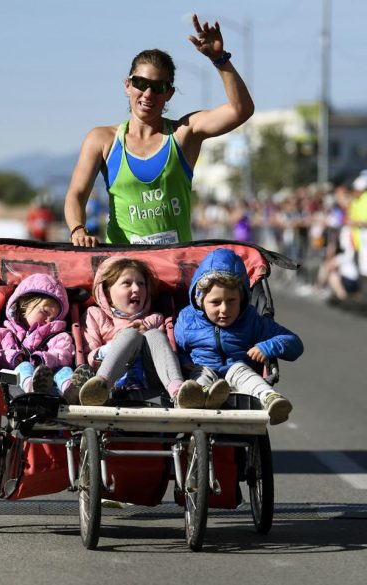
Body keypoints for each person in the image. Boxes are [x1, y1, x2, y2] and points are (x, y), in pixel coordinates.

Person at [65, 13, 254, 246]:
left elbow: (240, 110)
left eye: (158, 87)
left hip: (175, 267)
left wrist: (220, 60)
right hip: (124, 272)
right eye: (140, 83)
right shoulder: (102, 140)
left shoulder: (184, 133)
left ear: (169, 93)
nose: (148, 94)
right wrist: (77, 229)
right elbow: (76, 194)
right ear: (127, 85)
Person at [174, 248, 304, 424]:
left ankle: (270, 399)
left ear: (242, 298)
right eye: (215, 302)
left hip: (238, 374)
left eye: (231, 301)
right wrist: (183, 362)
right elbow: (176, 349)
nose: (224, 309)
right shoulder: (187, 320)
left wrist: (266, 347)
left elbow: (294, 343)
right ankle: (201, 395)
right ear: (200, 301)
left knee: (241, 372)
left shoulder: (250, 320)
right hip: (202, 370)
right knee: (200, 375)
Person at [78, 256, 205, 408]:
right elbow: (89, 356)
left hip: (151, 382)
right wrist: (119, 344)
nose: (136, 289)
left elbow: (164, 355)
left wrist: (145, 335)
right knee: (129, 335)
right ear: (107, 293)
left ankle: (179, 393)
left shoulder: (156, 319)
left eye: (141, 284)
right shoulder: (95, 315)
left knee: (154, 335)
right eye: (127, 283)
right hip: (115, 382)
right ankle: (99, 388)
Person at [0, 273, 93, 403]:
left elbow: (63, 355)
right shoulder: (2, 333)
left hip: (50, 379)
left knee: (65, 370)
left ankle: (72, 392)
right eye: (45, 312)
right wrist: (14, 357)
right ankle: (32, 387)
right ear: (24, 306)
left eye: (54, 318)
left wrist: (43, 359)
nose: (48, 320)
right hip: (14, 380)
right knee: (24, 366)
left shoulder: (58, 335)